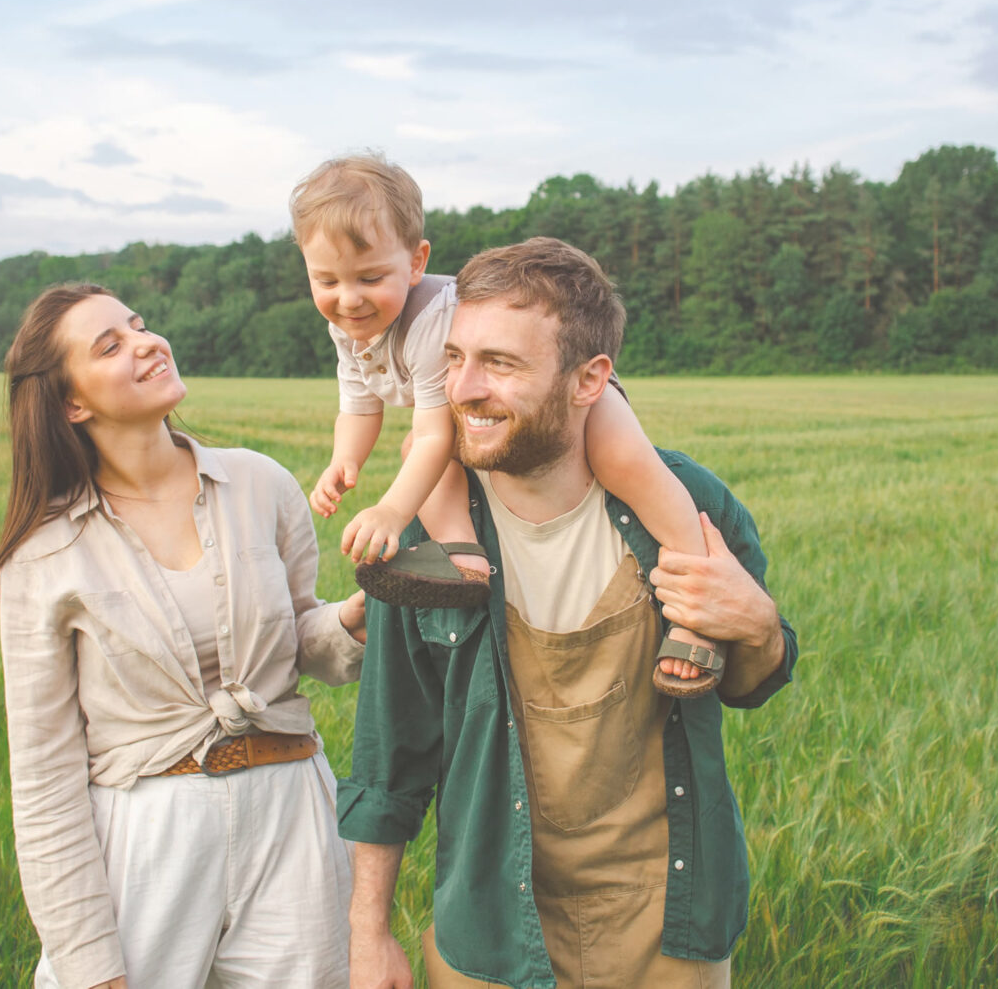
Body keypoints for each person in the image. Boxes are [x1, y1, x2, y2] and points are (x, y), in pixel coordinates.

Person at [337, 239, 799, 988]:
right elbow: (390, 751)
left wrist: (758, 626)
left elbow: (752, 681)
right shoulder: (421, 541)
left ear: (590, 379)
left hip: (669, 922)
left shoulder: (687, 506)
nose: (463, 389)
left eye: (500, 363)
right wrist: (369, 932)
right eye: (453, 358)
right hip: (489, 928)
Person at [0, 283, 368, 989]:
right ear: (72, 404)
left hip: (292, 816)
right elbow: (44, 775)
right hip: (147, 840)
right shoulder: (43, 555)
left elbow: (298, 635)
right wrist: (86, 959)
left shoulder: (260, 482)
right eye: (111, 346)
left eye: (139, 326)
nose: (146, 343)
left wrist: (352, 622)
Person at [292, 152, 728, 697]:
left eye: (370, 277)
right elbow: (358, 404)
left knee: (629, 465)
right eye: (326, 280)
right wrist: (345, 460)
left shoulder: (427, 322)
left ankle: (698, 604)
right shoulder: (349, 323)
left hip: (569, 391)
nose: (348, 298)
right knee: (414, 450)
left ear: (417, 262)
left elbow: (435, 435)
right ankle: (464, 557)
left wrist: (391, 511)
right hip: (478, 406)